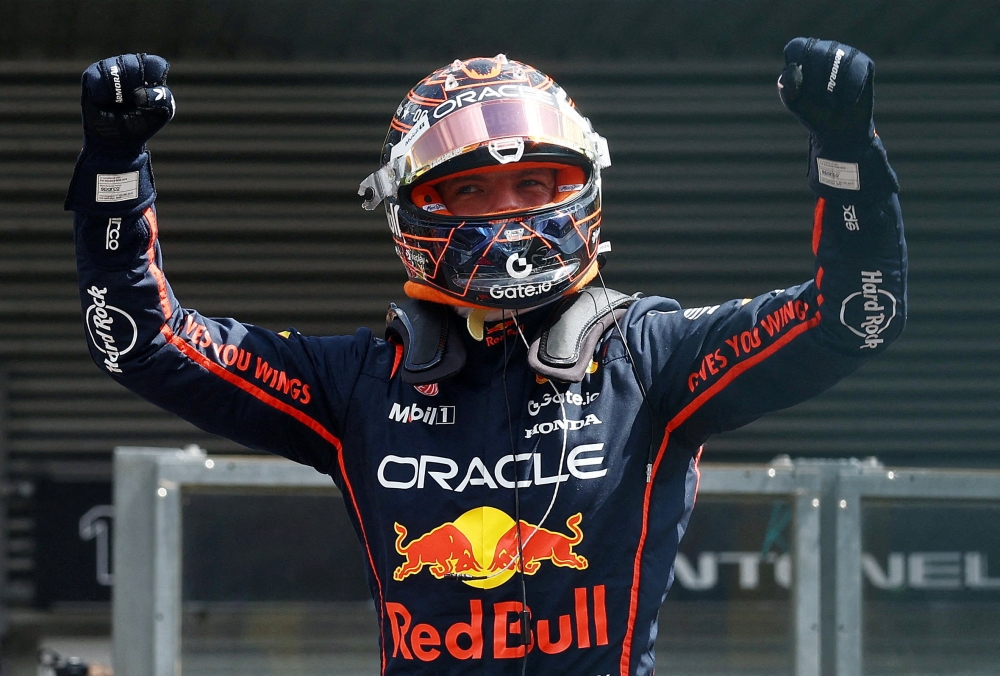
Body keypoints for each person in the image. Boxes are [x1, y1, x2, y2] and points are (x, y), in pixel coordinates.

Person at [67, 39, 906, 676]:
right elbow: (144, 343)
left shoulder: (647, 354)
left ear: (581, 187)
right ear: (408, 208)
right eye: (468, 189)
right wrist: (113, 175)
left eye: (533, 186)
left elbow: (855, 318)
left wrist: (847, 156)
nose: (506, 215)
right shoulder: (359, 382)